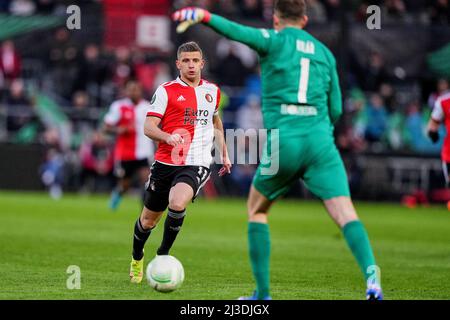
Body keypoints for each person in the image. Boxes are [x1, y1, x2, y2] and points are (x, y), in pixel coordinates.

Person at [173, 0, 383, 300]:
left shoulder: (273, 40)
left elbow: (237, 32)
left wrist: (203, 15)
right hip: (321, 142)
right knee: (346, 213)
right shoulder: (325, 53)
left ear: (276, 19)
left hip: (284, 140)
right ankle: (372, 278)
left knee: (257, 210)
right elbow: (336, 108)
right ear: (305, 19)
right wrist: (320, 129)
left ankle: (263, 295)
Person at [129, 41, 232, 283]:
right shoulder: (166, 91)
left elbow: (215, 123)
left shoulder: (212, 91)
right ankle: (136, 257)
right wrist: (167, 136)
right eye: (186, 61)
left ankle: (162, 255)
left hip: (197, 161)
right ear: (178, 64)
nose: (191, 65)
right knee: (147, 221)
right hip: (166, 162)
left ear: (202, 63)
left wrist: (224, 153)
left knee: (177, 202)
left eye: (195, 60)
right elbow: (148, 127)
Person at [103, 81, 154, 211]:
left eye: (136, 89)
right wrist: (119, 130)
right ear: (126, 91)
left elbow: (154, 127)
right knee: (125, 184)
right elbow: (106, 128)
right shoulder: (118, 106)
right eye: (130, 89)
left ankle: (145, 211)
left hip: (144, 152)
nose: (133, 92)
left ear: (140, 91)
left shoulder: (147, 107)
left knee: (146, 180)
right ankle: (117, 196)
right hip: (125, 153)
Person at [427, 88, 450, 197]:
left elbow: (432, 126)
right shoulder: (444, 101)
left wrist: (432, 132)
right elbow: (432, 125)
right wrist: (432, 133)